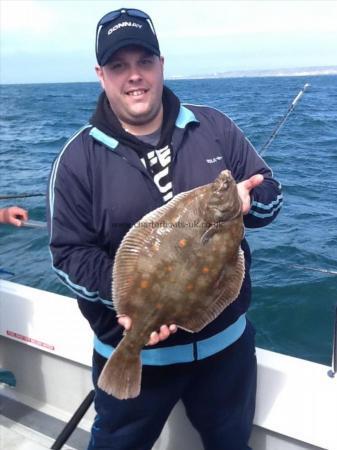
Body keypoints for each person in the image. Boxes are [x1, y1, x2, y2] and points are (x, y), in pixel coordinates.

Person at [47, 7, 283, 450]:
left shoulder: (214, 127)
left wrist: (250, 203)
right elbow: (68, 254)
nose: (133, 76)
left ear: (161, 65)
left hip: (225, 355)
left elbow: (269, 193)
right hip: (134, 352)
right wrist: (131, 306)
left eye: (144, 62)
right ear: (101, 74)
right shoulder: (78, 159)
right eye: (119, 66)